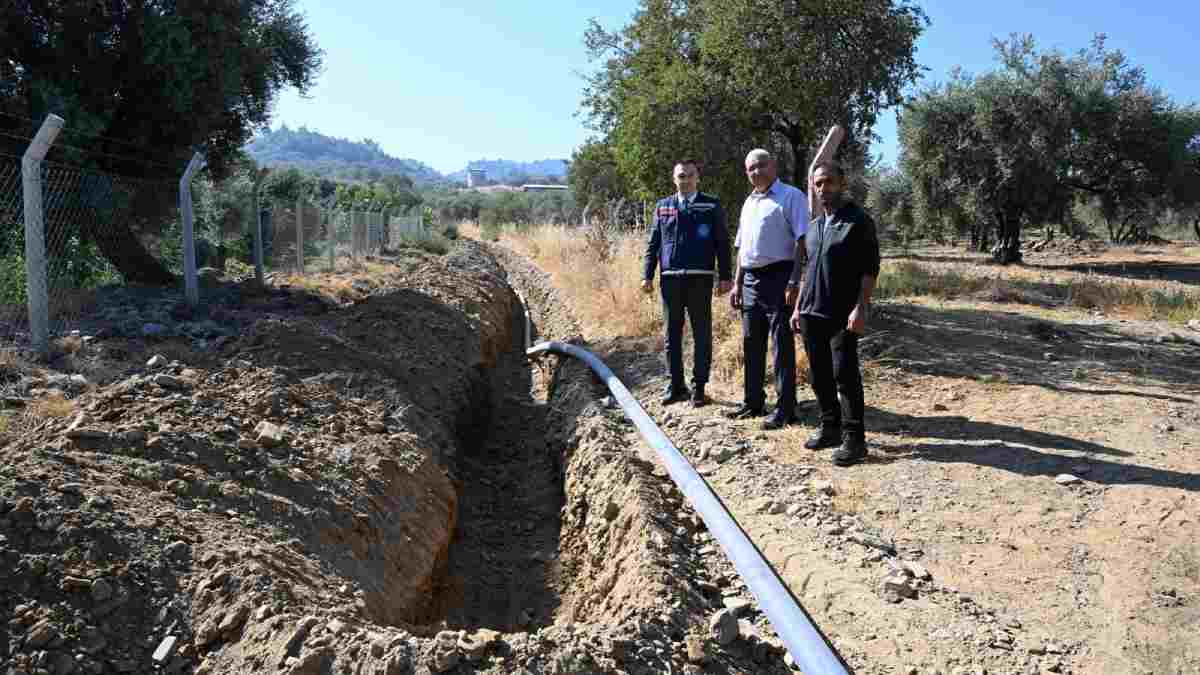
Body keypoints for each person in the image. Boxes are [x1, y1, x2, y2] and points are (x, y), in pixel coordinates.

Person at [791, 160, 880, 466]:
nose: (823, 188)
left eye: (828, 182)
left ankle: (855, 440)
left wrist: (860, 308)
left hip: (842, 314)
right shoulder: (815, 227)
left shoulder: (858, 221)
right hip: (811, 312)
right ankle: (830, 427)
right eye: (818, 183)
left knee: (845, 374)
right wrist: (798, 308)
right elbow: (809, 271)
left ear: (842, 184)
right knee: (818, 374)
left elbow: (869, 270)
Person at [727, 149, 809, 429]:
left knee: (781, 344)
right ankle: (753, 403)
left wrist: (794, 281)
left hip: (780, 277)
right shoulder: (749, 202)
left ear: (773, 166)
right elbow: (742, 248)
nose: (756, 171)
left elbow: (801, 241)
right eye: (751, 168)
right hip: (750, 280)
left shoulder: (791, 196)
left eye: (761, 165)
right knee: (751, 342)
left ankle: (786, 409)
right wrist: (737, 283)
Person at [642, 160, 733, 407]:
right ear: (675, 179)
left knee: (701, 334)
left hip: (700, 278)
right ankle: (676, 386)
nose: (686, 180)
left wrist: (725, 276)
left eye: (690, 175)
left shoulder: (711, 205)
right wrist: (647, 275)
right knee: (671, 335)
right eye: (681, 176)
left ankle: (699, 388)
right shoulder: (663, 206)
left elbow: (722, 242)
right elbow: (654, 243)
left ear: (697, 178)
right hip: (670, 279)